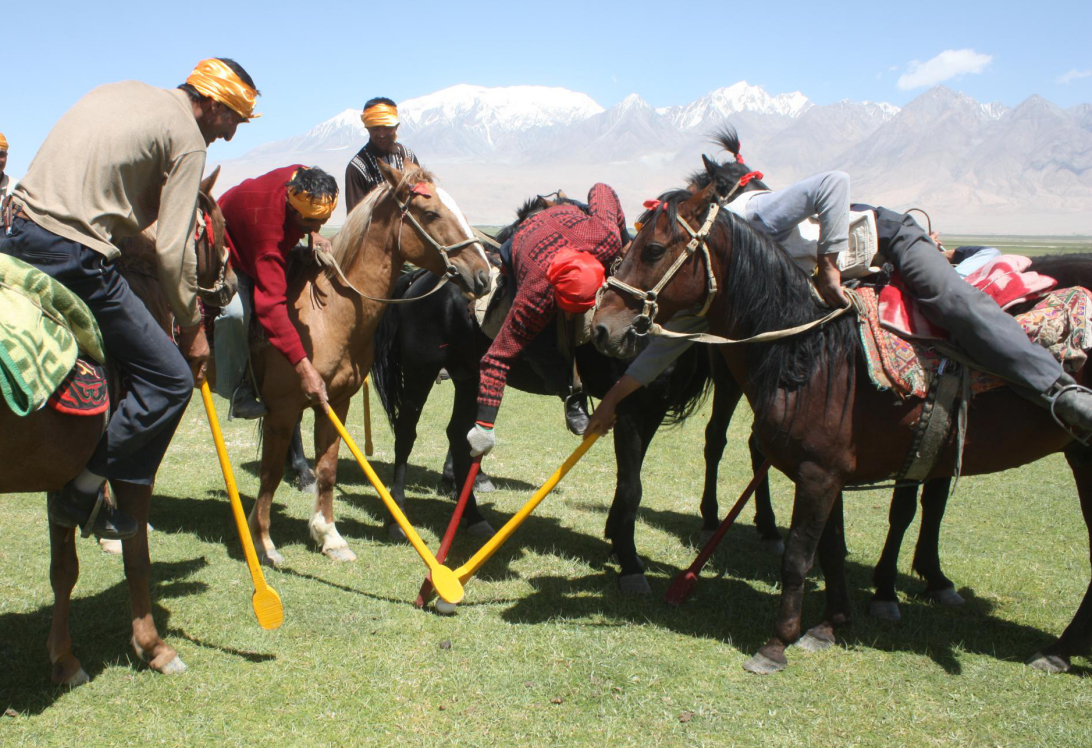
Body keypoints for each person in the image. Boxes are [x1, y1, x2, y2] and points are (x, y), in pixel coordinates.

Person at [586, 166, 1092, 439]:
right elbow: (669, 346)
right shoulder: (716, 276)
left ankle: (1059, 391)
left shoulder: (753, 217)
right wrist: (611, 402)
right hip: (852, 277)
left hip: (887, 241)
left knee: (951, 303)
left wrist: (828, 263)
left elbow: (833, 183)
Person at [0, 57, 259, 538]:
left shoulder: (119, 91)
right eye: (231, 118)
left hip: (2, 231)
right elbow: (172, 252)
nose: (230, 135)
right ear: (210, 103)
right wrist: (192, 330)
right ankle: (84, 489)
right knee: (170, 379)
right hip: (68, 254)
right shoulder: (188, 138)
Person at [465, 184, 626, 457]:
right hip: (524, 245)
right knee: (538, 342)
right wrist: (484, 427)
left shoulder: (606, 238)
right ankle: (569, 393)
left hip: (571, 223)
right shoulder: (535, 295)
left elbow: (602, 189)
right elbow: (497, 358)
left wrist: (624, 237)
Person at [214, 165, 338, 419]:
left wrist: (313, 232)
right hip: (227, 243)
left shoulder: (302, 175)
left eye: (323, 220)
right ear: (292, 208)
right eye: (310, 220)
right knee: (235, 314)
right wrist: (305, 371)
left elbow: (312, 217)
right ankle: (237, 389)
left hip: (260, 226)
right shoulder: (268, 238)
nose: (318, 225)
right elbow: (270, 307)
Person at [344, 98, 419, 212]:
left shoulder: (408, 156)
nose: (381, 134)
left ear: (396, 126)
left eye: (387, 127)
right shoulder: (357, 168)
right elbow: (355, 220)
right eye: (375, 128)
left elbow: (421, 200)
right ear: (367, 127)